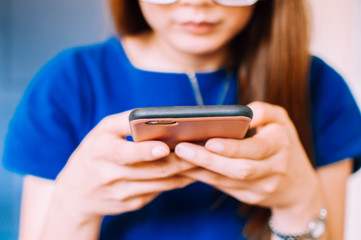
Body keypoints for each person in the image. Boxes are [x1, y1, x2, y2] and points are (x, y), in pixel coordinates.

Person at [2, 0, 361, 239]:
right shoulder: (67, 82)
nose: (197, 3)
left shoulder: (319, 86)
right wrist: (73, 208)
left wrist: (299, 205)